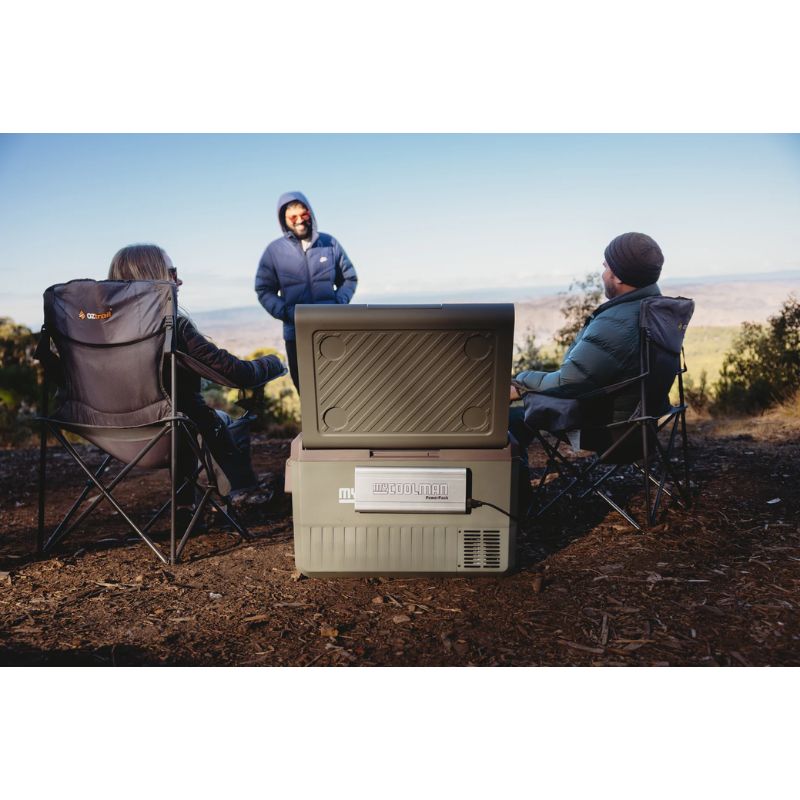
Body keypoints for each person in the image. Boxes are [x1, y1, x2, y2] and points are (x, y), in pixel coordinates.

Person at [107, 244, 287, 524]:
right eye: (172, 272)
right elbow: (235, 374)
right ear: (154, 277)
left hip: (109, 434)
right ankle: (241, 494)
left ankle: (185, 507)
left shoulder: (99, 331)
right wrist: (275, 362)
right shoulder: (173, 328)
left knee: (182, 411)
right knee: (207, 418)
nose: (179, 280)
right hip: (167, 438)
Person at [508, 232, 666, 504]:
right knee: (519, 414)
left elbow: (568, 382)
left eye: (605, 266)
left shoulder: (617, 323)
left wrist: (521, 383)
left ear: (617, 276)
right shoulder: (656, 310)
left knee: (507, 423)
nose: (603, 273)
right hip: (642, 426)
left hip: (609, 433)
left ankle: (516, 504)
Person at [255, 191, 358, 393]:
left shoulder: (330, 244)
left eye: (304, 215)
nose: (300, 221)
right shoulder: (274, 251)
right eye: (293, 217)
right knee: (306, 389)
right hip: (296, 333)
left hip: (332, 329)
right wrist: (286, 313)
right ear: (284, 221)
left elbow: (349, 278)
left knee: (339, 386)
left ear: (310, 214)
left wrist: (337, 306)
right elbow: (263, 288)